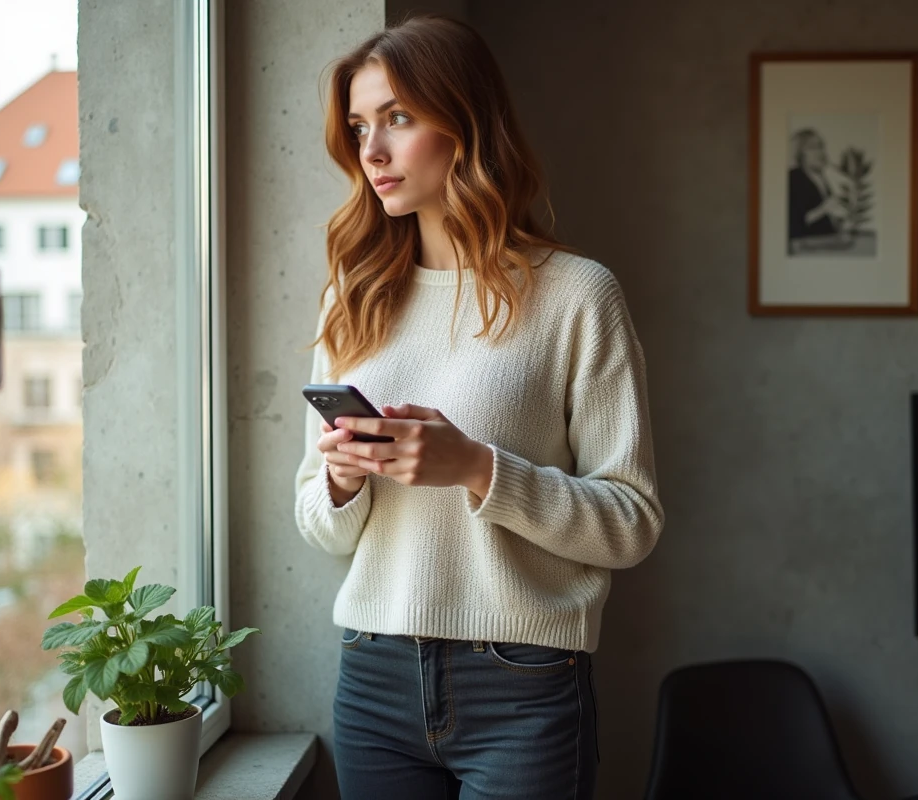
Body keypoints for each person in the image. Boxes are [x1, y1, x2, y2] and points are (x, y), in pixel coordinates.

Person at [292, 14, 664, 800]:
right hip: (372, 675)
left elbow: (631, 523)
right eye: (360, 126)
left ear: (464, 121)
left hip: (522, 683)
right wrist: (343, 483)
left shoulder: (576, 296)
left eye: (398, 117)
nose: (372, 151)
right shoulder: (352, 300)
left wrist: (476, 468)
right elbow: (318, 527)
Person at [787, 128, 846, 244]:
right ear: (800, 152)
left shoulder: (821, 177)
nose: (821, 152)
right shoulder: (793, 178)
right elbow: (793, 223)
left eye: (821, 146)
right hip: (805, 245)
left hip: (826, 242)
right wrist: (824, 209)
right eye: (813, 147)